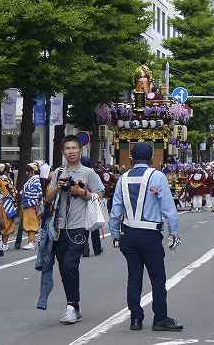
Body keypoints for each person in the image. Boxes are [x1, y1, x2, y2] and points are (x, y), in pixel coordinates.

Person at [108, 142, 184, 332]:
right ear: (151, 158)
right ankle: (160, 318)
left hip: (129, 234)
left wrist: (115, 233)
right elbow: (169, 209)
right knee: (157, 277)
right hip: (150, 234)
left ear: (132, 158)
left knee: (134, 276)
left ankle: (135, 318)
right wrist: (173, 232)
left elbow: (115, 210)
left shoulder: (123, 178)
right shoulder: (157, 176)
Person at [36, 136, 104, 324]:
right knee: (64, 269)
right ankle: (73, 305)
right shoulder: (58, 172)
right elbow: (48, 199)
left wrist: (82, 192)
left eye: (74, 148)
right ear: (63, 152)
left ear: (80, 151)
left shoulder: (88, 173)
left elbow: (99, 196)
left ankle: (72, 307)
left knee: (69, 265)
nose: (71, 151)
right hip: (58, 228)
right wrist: (57, 187)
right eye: (67, 148)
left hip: (79, 227)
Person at [80, 156, 103, 257]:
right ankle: (97, 249)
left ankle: (85, 250)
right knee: (94, 225)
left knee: (84, 227)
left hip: (80, 203)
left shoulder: (79, 174)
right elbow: (101, 190)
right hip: (92, 202)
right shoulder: (93, 174)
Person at [20, 161, 43, 250]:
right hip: (30, 204)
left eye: (28, 170)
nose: (26, 172)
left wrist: (24, 194)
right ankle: (30, 241)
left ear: (32, 171)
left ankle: (31, 242)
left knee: (31, 224)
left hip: (30, 205)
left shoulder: (35, 180)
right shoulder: (34, 179)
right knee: (30, 223)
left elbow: (37, 193)